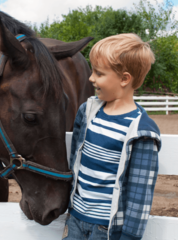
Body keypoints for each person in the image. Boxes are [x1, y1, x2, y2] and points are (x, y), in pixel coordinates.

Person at [62, 33, 162, 240]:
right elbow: (75, 161)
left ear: (124, 79)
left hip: (105, 230)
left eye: (99, 73)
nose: (91, 78)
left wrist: (129, 236)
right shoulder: (87, 112)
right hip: (74, 219)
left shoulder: (141, 131)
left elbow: (140, 194)